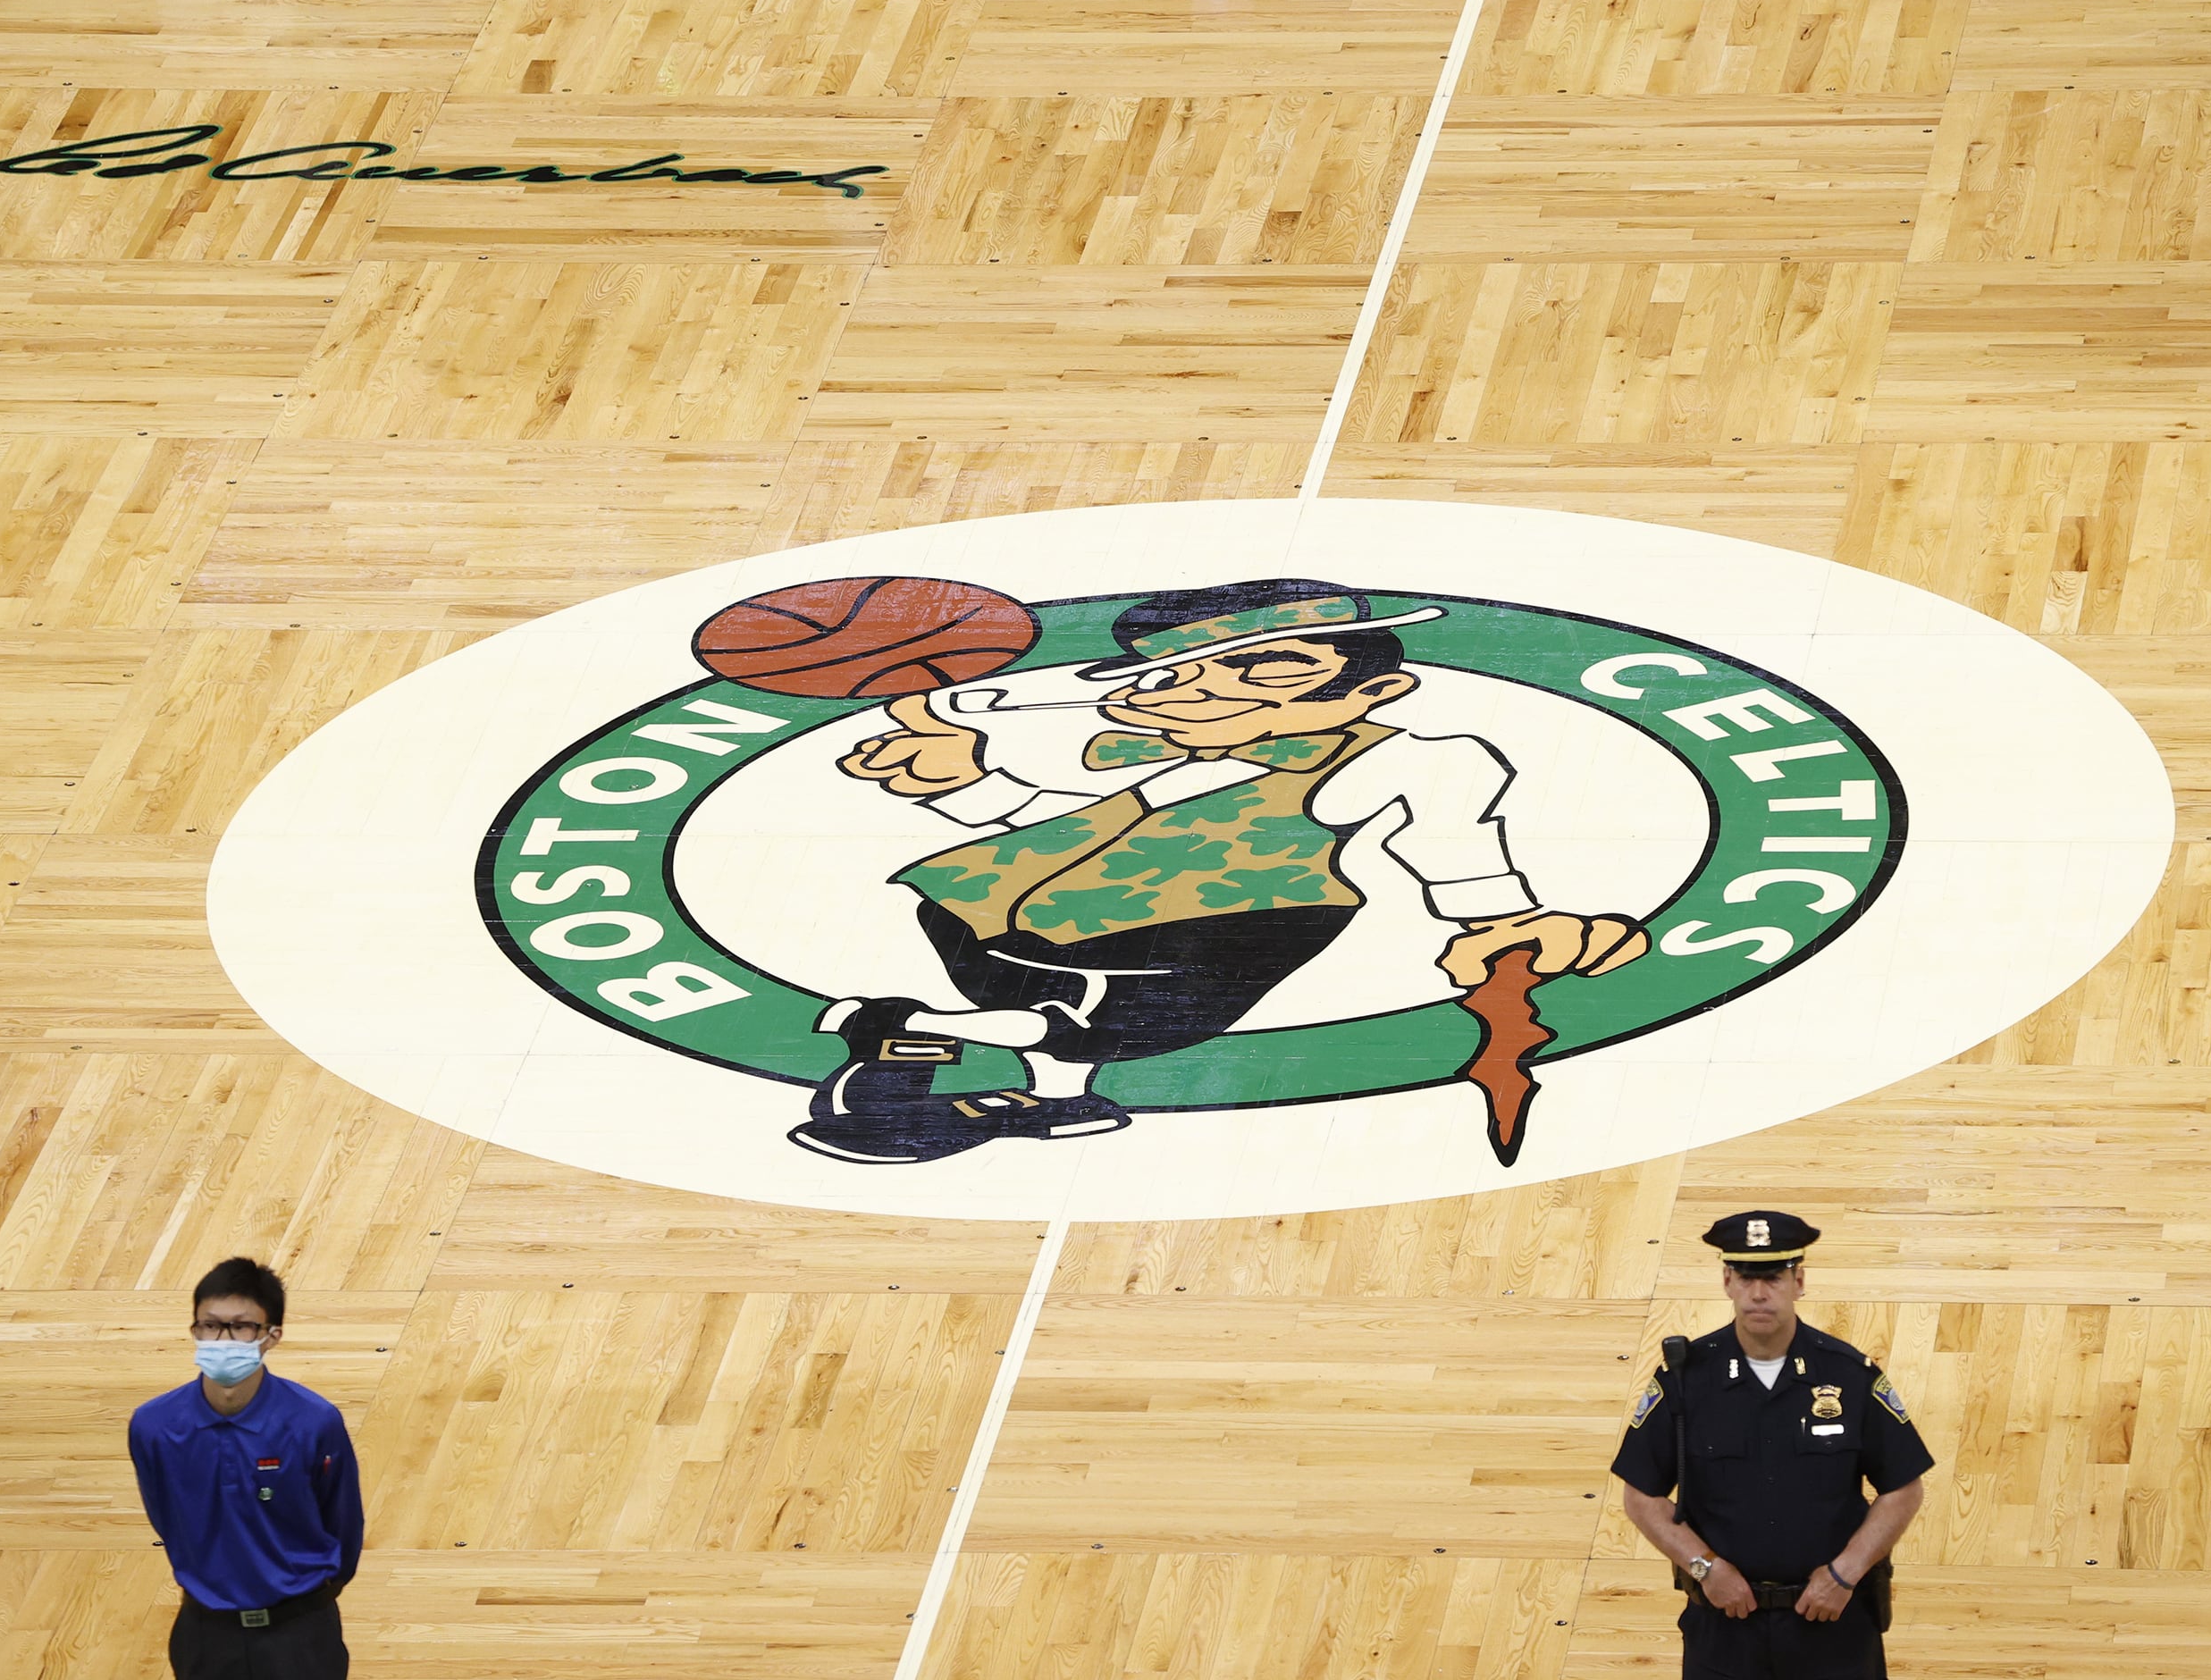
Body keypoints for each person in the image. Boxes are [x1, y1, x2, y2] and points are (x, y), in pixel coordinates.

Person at [799, 577, 1652, 1163]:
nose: (1196, 693)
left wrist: (1505, 923)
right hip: (997, 915)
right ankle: (1005, 1072)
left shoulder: (1413, 758)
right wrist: (966, 784)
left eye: (1266, 669)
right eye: (1170, 678)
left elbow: (1452, 842)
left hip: (1208, 924)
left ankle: (916, 1035)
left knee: (1099, 1018)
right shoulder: (1177, 763)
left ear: (1375, 692)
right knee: (1071, 1019)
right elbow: (1056, 826)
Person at [1610, 1213, 1933, 1679]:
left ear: (1798, 1281)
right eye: (1746, 1278)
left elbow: (1903, 1488)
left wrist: (1845, 1573)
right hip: (1724, 1629)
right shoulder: (1685, 1381)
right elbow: (1641, 1495)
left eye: (1773, 1278)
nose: (1759, 1294)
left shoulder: (1848, 1376)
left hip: (1833, 1625)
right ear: (1727, 1281)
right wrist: (1704, 1569)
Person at [129, 1257, 364, 1679]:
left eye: (241, 1327)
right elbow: (165, 1517)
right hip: (205, 1633)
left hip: (301, 1634)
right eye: (210, 1325)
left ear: (271, 1336)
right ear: (194, 1330)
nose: (223, 1339)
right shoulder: (153, 1426)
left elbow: (343, 1521)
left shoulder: (314, 1422)